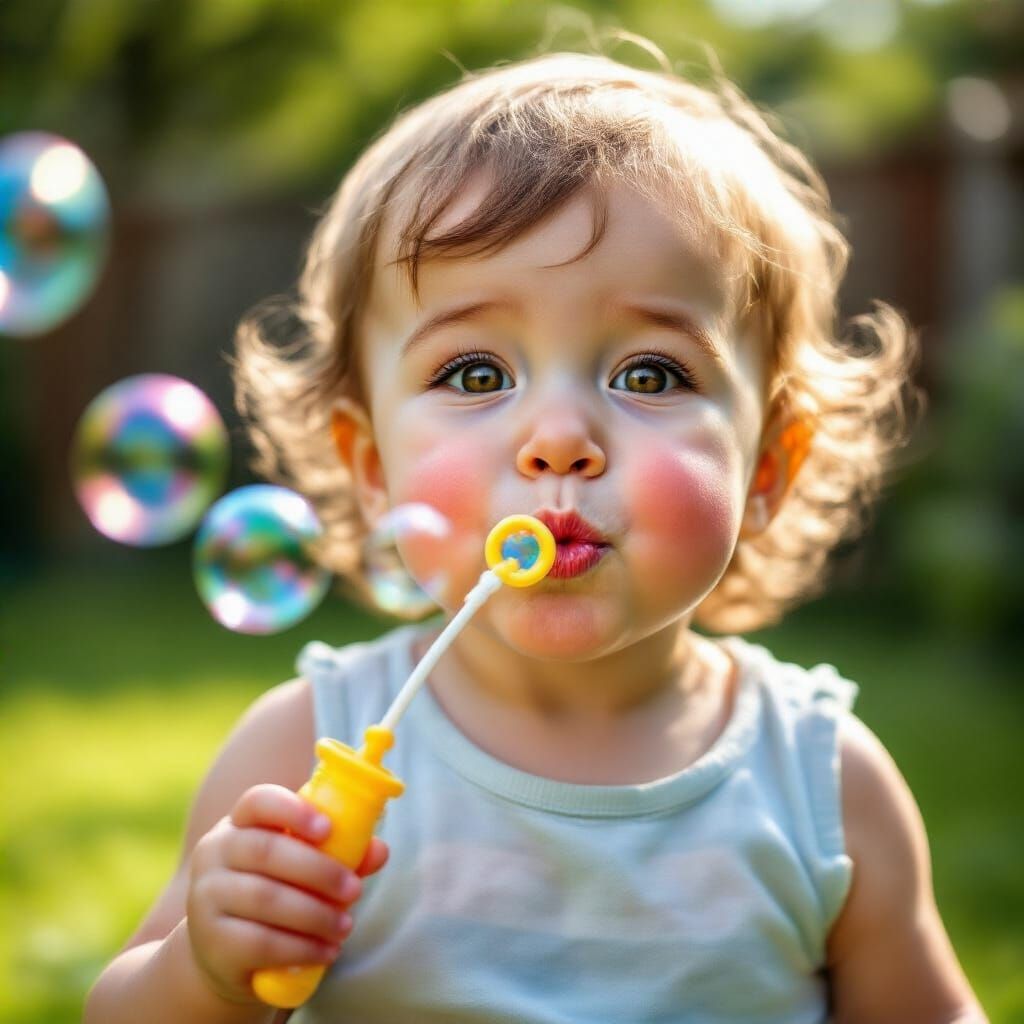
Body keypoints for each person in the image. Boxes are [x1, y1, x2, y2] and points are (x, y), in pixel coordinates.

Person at [85, 43, 988, 1024]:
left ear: (765, 468)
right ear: (373, 466)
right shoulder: (305, 748)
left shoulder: (822, 781)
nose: (559, 438)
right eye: (476, 374)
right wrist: (205, 972)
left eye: (649, 374)